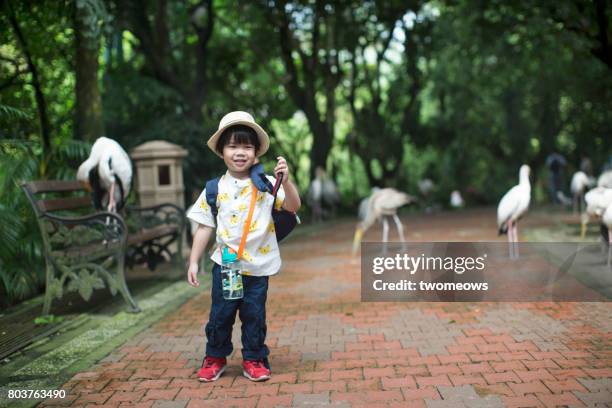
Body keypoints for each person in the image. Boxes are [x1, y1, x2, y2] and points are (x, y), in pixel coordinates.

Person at [186, 111, 301, 382]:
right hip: (227, 263)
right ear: (222, 151)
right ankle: (214, 356)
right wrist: (193, 261)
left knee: (253, 314)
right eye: (233, 146)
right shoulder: (215, 188)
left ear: (256, 152)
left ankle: (254, 358)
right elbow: (204, 226)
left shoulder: (266, 184)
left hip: (258, 266)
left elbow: (293, 207)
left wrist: (287, 181)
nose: (240, 152)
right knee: (222, 313)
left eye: (246, 146)